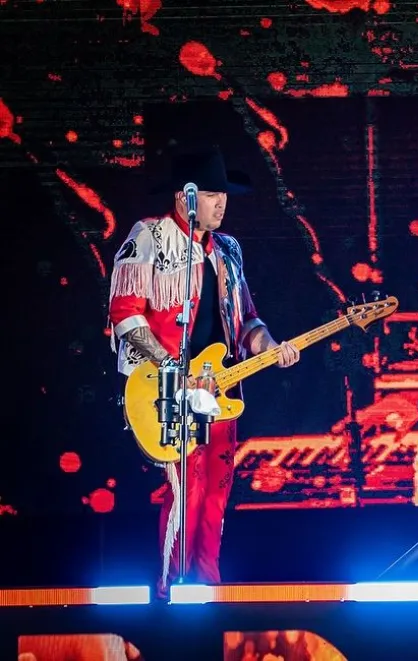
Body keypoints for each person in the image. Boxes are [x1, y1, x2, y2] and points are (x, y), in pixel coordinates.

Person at [107, 146, 300, 598]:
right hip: (168, 388)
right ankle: (170, 589)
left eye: (224, 195)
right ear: (185, 197)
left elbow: (248, 319)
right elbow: (126, 315)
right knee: (185, 489)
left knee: (217, 491)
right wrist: (171, 367)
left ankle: (208, 588)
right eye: (213, 194)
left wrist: (270, 346)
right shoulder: (148, 237)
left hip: (219, 386)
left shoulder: (229, 251)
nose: (222, 203)